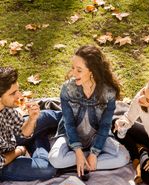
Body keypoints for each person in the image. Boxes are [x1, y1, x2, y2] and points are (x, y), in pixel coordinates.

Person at [0, 66, 61, 181]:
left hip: (8, 140)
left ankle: (74, 118)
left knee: (44, 117)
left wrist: (32, 119)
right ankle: (38, 140)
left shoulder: (1, 101)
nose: (19, 96)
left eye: (18, 90)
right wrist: (18, 151)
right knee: (48, 170)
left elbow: (21, 130)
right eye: (13, 93)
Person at [48, 45, 130, 176]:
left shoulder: (108, 93)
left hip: (96, 137)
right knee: (54, 159)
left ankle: (81, 163)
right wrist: (78, 151)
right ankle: (86, 162)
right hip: (70, 136)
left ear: (91, 71)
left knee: (124, 157)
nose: (73, 73)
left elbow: (105, 125)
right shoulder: (67, 89)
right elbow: (68, 123)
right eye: (73, 68)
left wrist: (94, 152)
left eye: (79, 70)